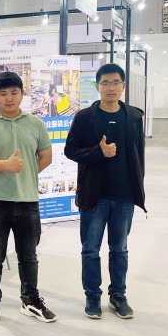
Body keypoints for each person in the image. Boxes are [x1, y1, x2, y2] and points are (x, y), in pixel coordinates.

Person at [0, 71, 55, 327]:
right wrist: (6, 166)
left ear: (22, 94)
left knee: (29, 256)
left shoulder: (35, 123)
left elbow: (46, 156)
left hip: (28, 201)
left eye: (14, 93)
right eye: (3, 94)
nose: (9, 98)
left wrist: (26, 174)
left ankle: (30, 300)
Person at [64, 63, 146, 320]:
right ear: (97, 86)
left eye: (116, 82)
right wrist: (97, 153)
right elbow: (70, 151)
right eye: (106, 83)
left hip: (124, 196)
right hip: (94, 196)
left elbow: (139, 156)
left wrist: (138, 188)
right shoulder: (85, 117)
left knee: (119, 249)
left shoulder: (134, 117)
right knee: (90, 249)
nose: (111, 87)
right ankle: (92, 296)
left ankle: (118, 295)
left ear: (123, 86)